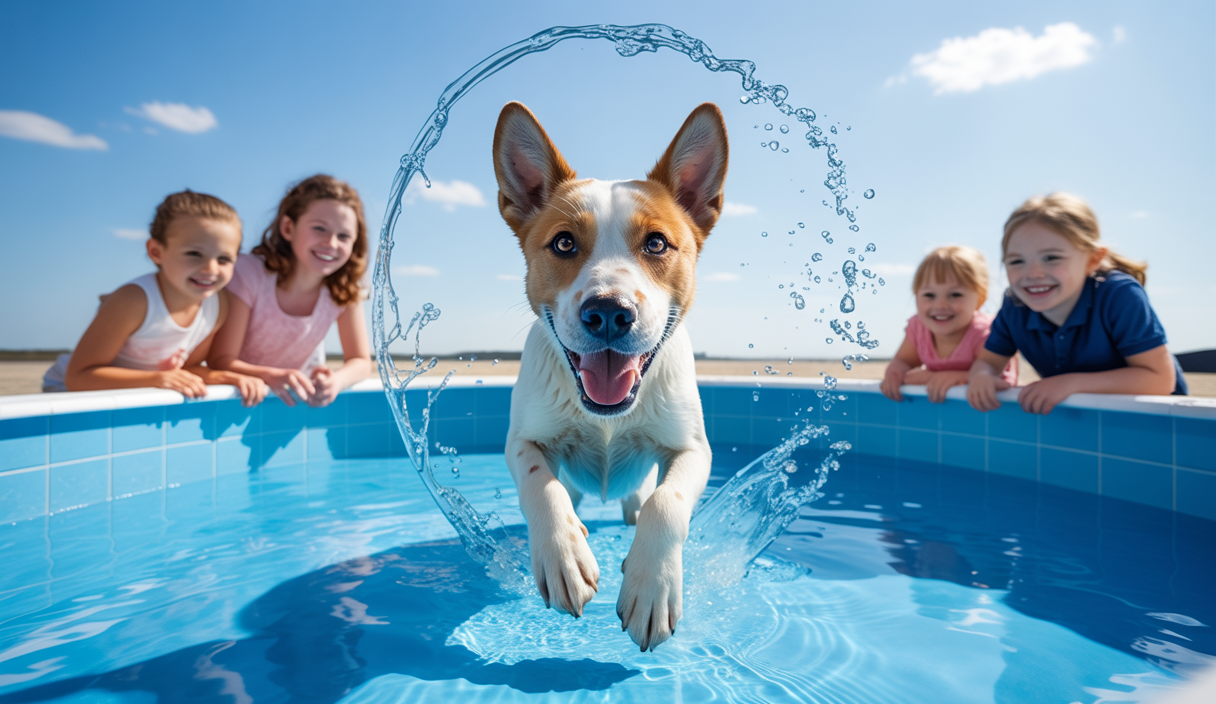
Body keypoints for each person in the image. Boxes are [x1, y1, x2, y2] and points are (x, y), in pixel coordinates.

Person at [968, 192, 1186, 415]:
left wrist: (1070, 384)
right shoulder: (1015, 306)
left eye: (1052, 258)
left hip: (1160, 420)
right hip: (1085, 418)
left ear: (1093, 259)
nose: (1033, 273)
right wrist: (982, 376)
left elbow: (1159, 380)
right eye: (1016, 261)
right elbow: (988, 362)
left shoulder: (1118, 295)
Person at [43, 191, 267, 406]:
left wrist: (222, 377)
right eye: (194, 254)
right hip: (67, 393)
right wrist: (156, 379)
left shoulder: (217, 306)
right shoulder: (134, 301)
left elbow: (188, 368)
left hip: (136, 392)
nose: (211, 269)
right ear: (156, 252)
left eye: (224, 259)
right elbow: (78, 377)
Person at [209, 175, 371, 407]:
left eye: (344, 236)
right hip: (233, 401)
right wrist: (271, 376)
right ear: (288, 228)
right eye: (319, 228)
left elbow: (361, 361)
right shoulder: (248, 274)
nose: (332, 243)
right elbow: (220, 359)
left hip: (287, 403)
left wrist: (337, 381)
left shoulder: (344, 290)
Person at [881, 245, 1016, 403]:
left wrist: (954, 377)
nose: (940, 305)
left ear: (980, 299)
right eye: (929, 295)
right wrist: (894, 374)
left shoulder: (986, 332)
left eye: (955, 294)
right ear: (916, 296)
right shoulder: (919, 328)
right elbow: (903, 361)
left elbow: (1001, 380)